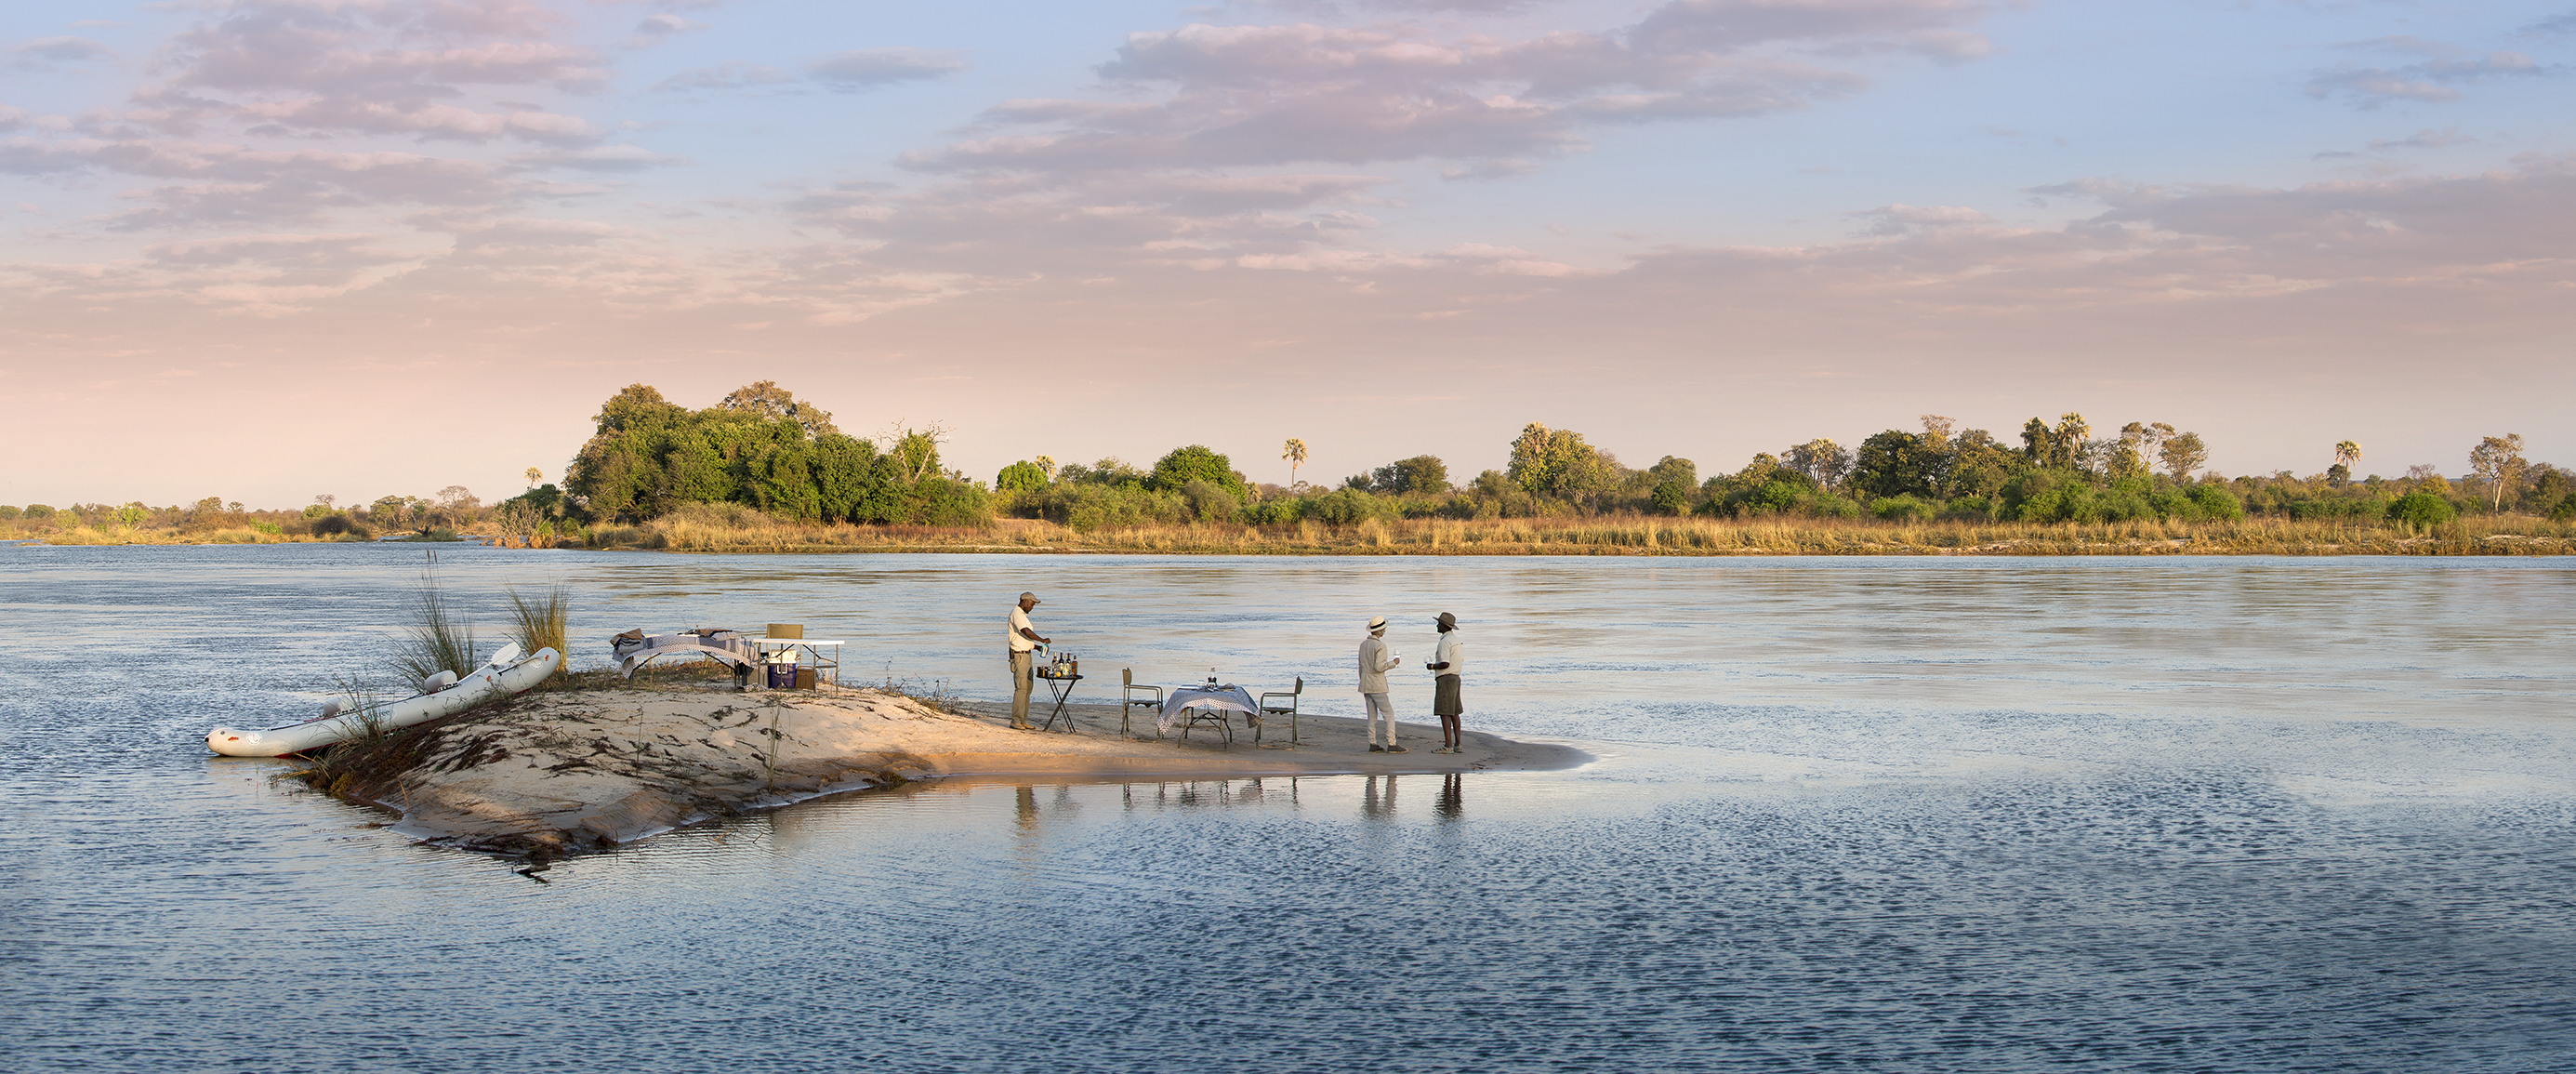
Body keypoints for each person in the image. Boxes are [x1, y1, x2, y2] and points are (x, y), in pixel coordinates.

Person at [1356, 615, 1406, 753]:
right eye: (1383, 629)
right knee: (1388, 714)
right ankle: (1392, 743)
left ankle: (1372, 743)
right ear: (1379, 631)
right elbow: (1378, 667)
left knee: (1372, 716)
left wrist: (1362, 680)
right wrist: (1393, 663)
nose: (1384, 631)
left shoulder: (1363, 644)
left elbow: (1361, 667)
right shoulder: (1380, 646)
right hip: (1377, 685)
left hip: (1365, 683)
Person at [1006, 590, 1050, 730]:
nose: (1032, 607)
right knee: (1021, 688)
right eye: (1031, 604)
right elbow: (1026, 632)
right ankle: (1016, 720)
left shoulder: (1022, 615)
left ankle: (1023, 720)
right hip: (1020, 656)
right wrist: (1042, 639)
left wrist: (1036, 647)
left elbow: (1023, 638)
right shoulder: (1016, 614)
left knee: (1028, 688)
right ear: (1024, 601)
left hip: (1027, 654)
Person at [1426, 611, 1465, 754]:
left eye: (1439, 624)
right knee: (1455, 712)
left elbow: (1445, 663)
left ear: (1444, 626)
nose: (1437, 626)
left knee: (1445, 712)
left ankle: (1448, 745)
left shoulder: (1444, 642)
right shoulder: (1456, 641)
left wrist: (1431, 666)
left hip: (1446, 679)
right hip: (1456, 678)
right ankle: (1457, 744)